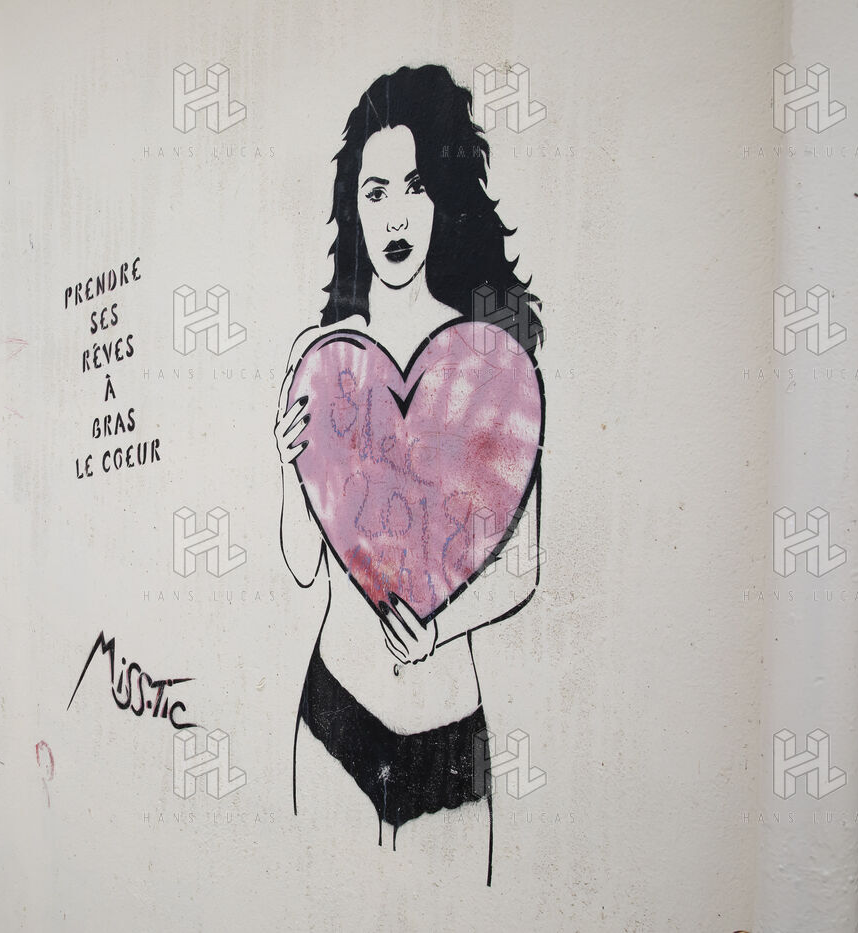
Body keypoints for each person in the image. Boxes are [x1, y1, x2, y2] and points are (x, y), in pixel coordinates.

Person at [274, 65, 546, 887]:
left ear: (445, 199)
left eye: (416, 186)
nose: (395, 215)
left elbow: (524, 568)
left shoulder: (494, 362)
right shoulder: (320, 360)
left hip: (445, 733)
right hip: (336, 709)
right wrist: (288, 468)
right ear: (354, 209)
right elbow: (302, 564)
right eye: (376, 191)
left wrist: (440, 630)